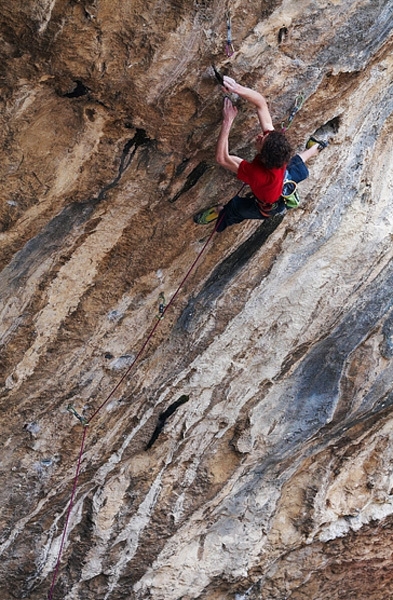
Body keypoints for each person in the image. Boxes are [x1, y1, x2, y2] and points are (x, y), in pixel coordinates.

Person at [194, 76, 327, 230]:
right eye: (265, 136)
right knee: (297, 166)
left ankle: (220, 212)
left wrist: (227, 121)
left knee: (235, 210)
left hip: (268, 204)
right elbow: (261, 104)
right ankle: (315, 148)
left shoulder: (259, 176)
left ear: (264, 158)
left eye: (261, 140)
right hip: (281, 178)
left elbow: (222, 158)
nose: (260, 136)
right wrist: (236, 88)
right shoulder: (276, 147)